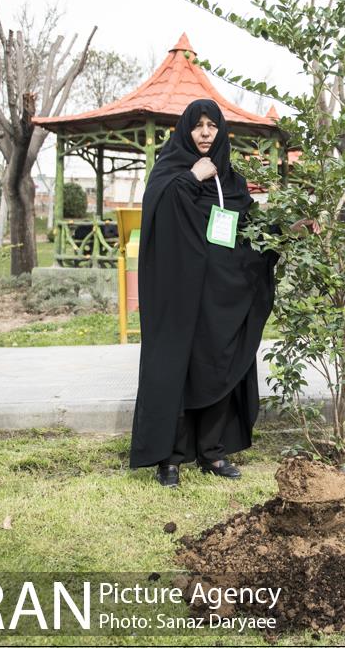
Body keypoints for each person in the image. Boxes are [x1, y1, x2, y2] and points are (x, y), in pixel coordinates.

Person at [129, 98, 315, 487]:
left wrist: (290, 229)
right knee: (176, 367)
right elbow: (158, 212)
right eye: (197, 126)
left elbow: (248, 229)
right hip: (177, 292)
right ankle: (171, 457)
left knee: (219, 361)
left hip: (219, 292)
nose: (204, 133)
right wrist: (190, 177)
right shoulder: (170, 170)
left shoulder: (230, 180)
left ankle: (212, 451)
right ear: (185, 129)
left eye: (212, 126)